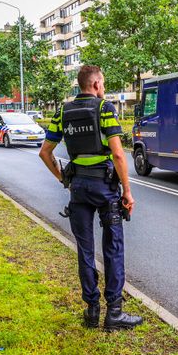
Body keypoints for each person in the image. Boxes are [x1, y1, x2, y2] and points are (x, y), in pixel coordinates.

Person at [39, 65, 142, 331]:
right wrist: (127, 192)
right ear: (95, 84)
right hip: (105, 188)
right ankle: (114, 313)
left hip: (79, 189)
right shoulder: (104, 109)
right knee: (113, 248)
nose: (104, 88)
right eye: (103, 84)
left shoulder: (62, 111)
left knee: (85, 250)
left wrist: (63, 179)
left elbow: (45, 152)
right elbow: (119, 155)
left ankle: (92, 310)